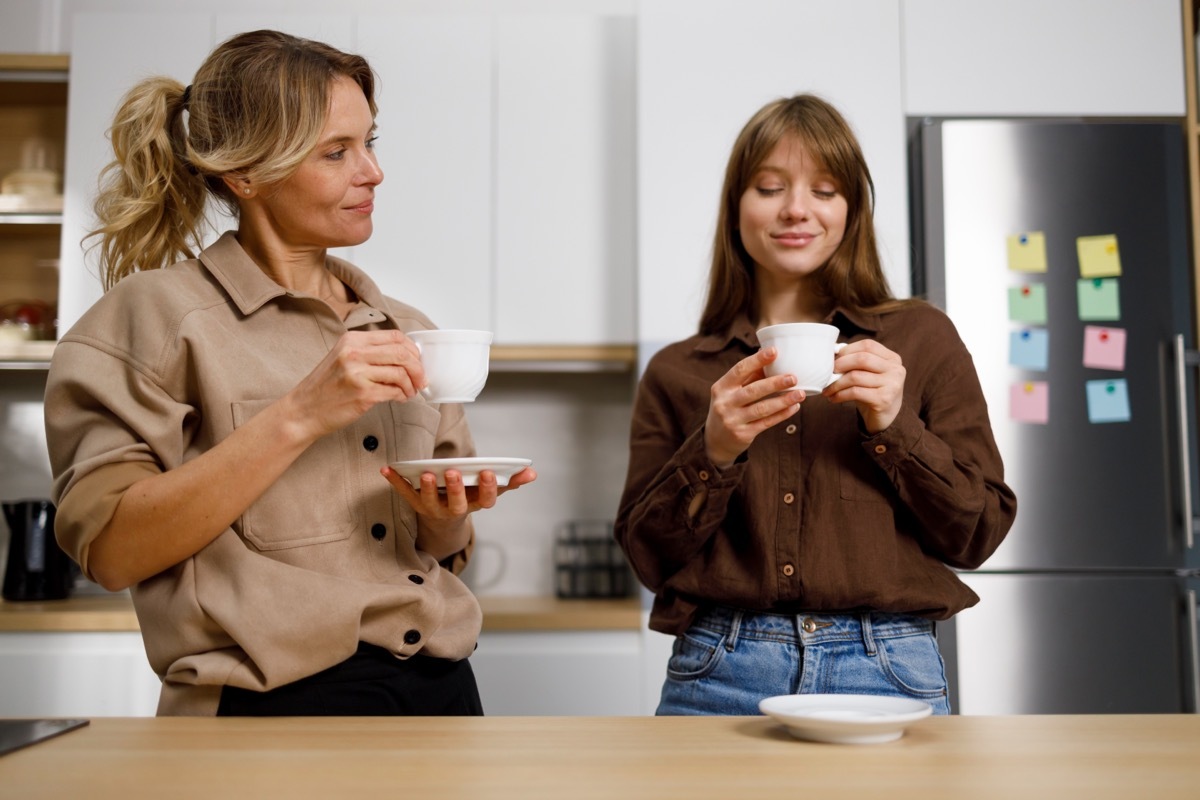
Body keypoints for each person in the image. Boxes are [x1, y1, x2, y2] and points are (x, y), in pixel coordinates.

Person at [43, 30, 535, 717]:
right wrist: (300, 413)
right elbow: (111, 551)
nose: (373, 171)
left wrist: (446, 519)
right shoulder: (151, 320)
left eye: (370, 142)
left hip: (442, 691)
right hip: (263, 709)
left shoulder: (404, 327)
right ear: (245, 175)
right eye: (337, 152)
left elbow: (441, 556)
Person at [614, 94, 1016, 716]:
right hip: (718, 667)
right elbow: (647, 557)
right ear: (736, 208)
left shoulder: (920, 339)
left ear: (852, 210)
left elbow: (977, 534)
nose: (796, 209)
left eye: (825, 191)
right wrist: (713, 450)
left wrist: (893, 424)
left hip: (887, 669)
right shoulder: (679, 371)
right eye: (770, 187)